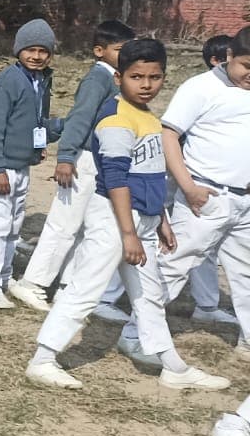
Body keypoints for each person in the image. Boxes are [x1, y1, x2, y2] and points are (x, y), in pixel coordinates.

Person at [22, 39, 227, 391]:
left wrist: (159, 219)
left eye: (154, 77)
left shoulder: (147, 117)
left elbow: (150, 173)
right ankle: (42, 359)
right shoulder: (116, 119)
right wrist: (128, 234)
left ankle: (173, 367)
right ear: (119, 78)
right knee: (86, 289)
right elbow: (116, 179)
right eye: (136, 77)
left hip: (141, 220)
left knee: (149, 297)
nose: (146, 85)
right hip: (114, 220)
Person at [117, 25, 250, 365]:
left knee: (246, 273)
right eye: (247, 66)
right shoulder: (200, 88)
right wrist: (188, 188)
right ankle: (135, 334)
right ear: (230, 56)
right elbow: (169, 135)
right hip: (206, 196)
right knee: (174, 267)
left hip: (245, 200)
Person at [10, 20, 136, 311]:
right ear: (99, 51)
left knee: (86, 229)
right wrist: (66, 157)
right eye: (120, 50)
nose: (126, 55)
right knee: (63, 225)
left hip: (102, 161)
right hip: (84, 159)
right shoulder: (97, 80)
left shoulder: (117, 78)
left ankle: (69, 287)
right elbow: (80, 120)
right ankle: (33, 283)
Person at [0, 18, 63, 310]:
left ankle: (3, 276)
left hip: (21, 165)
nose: (36, 56)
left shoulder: (41, 81)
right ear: (18, 50)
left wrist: (43, 141)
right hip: (0, 166)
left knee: (13, 225)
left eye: (43, 51)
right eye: (30, 50)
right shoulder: (7, 83)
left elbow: (36, 122)